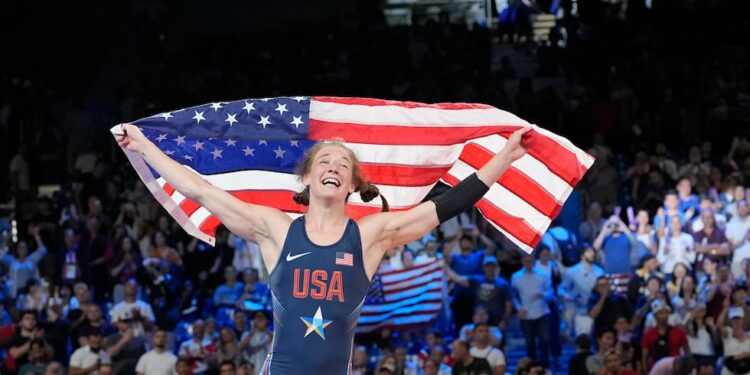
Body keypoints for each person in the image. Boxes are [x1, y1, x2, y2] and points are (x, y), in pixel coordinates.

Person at [116, 122, 531, 374]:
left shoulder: (371, 235)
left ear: (352, 184)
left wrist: (506, 156)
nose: (333, 167)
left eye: (343, 165)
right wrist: (144, 147)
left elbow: (445, 206)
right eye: (324, 162)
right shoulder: (275, 228)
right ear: (308, 179)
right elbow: (200, 190)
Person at [511, 252, 553, 368]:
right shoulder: (516, 277)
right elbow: (514, 296)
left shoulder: (543, 275)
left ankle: (545, 367)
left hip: (541, 312)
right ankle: (531, 368)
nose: (528, 263)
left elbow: (551, 293)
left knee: (544, 341)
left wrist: (543, 295)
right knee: (530, 343)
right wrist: (518, 308)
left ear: (534, 261)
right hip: (526, 314)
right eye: (526, 261)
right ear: (522, 262)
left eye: (530, 261)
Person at [561, 246, 605, 336]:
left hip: (595, 309)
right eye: (589, 252)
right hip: (578, 310)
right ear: (582, 255)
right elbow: (561, 289)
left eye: (593, 252)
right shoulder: (572, 271)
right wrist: (569, 297)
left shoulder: (599, 271)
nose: (592, 254)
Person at [641, 300, 690, 371]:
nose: (664, 315)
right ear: (655, 316)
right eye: (661, 313)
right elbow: (644, 356)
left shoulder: (678, 332)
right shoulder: (648, 335)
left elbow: (687, 351)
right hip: (656, 369)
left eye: (666, 313)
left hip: (675, 369)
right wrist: (646, 370)